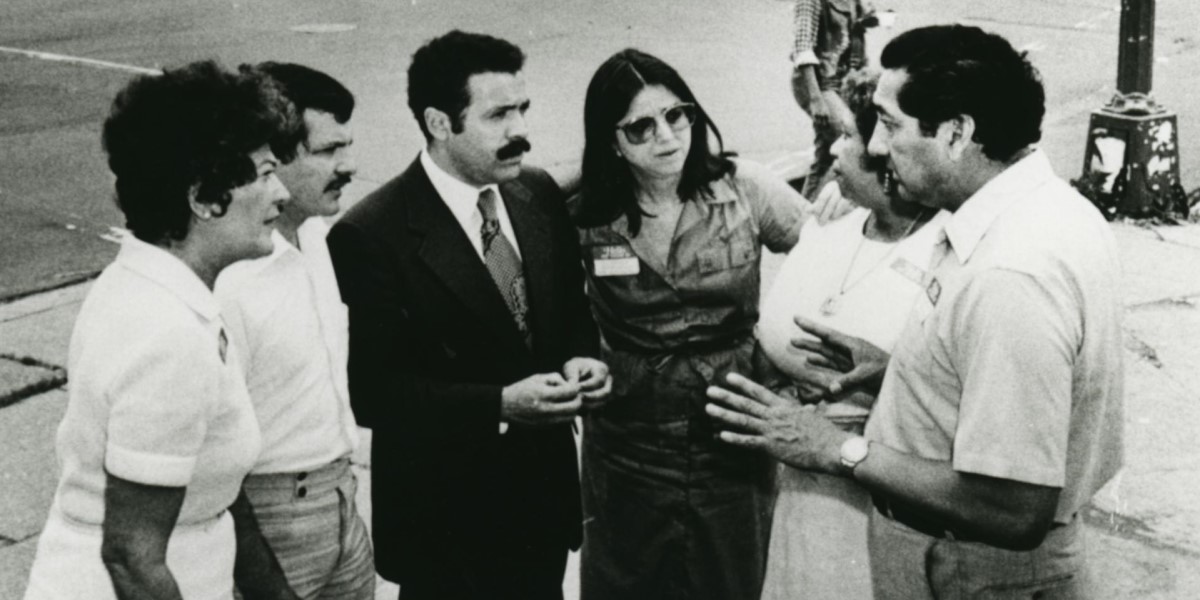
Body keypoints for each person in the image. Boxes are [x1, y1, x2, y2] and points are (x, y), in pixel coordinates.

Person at [707, 25, 1123, 599]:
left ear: (957, 133)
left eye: (890, 124)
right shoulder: (1044, 210)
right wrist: (904, 368)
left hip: (972, 570)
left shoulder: (1010, 274)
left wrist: (835, 448)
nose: (875, 147)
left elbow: (1014, 506)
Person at [326, 30, 610, 600]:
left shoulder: (536, 194)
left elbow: (570, 313)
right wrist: (500, 405)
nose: (520, 131)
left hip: (543, 512)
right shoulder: (373, 234)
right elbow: (375, 393)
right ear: (438, 123)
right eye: (498, 115)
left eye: (523, 109)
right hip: (447, 530)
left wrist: (585, 358)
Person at [23, 61, 300, 600]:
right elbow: (130, 557)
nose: (283, 193)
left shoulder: (155, 287)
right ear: (202, 197)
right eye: (265, 174)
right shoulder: (167, 333)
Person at [570, 48, 809, 600]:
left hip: (732, 428)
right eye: (640, 127)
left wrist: (789, 363)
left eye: (677, 115)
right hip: (629, 441)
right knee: (627, 581)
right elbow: (517, 201)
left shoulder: (744, 188)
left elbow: (831, 258)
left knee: (731, 578)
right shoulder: (583, 212)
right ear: (610, 141)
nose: (666, 136)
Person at [755, 68, 946, 600]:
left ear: (887, 159)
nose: (834, 148)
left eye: (848, 137)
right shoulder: (829, 222)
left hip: (882, 499)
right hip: (801, 488)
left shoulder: (945, 248)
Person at [215, 62, 374, 600]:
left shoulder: (319, 239)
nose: (349, 166)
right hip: (268, 519)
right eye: (329, 150)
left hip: (341, 503)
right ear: (275, 158)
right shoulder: (231, 277)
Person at [791, 0, 875, 199]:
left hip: (842, 81)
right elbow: (802, 49)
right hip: (817, 83)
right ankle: (834, 203)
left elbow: (856, 30)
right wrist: (816, 99)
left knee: (824, 157)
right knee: (847, 139)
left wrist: (869, 19)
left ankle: (806, 211)